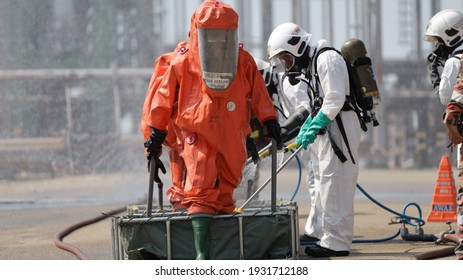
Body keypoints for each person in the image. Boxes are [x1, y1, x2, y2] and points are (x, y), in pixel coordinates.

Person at [143, 0, 281, 260]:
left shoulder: (243, 61)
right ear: (196, 32)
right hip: (197, 134)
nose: (217, 42)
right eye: (210, 34)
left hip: (232, 133)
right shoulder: (182, 62)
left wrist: (269, 119)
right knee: (200, 185)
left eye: (223, 35)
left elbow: (259, 93)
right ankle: (201, 255)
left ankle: (220, 248)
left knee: (227, 186)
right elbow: (163, 97)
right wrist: (156, 132)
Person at [267, 22, 362, 257]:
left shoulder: (327, 59)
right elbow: (317, 103)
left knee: (334, 183)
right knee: (322, 182)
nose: (287, 66)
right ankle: (325, 234)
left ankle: (337, 243)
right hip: (329, 126)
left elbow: (334, 99)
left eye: (286, 59)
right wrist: (308, 126)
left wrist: (315, 124)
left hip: (340, 126)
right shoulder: (313, 64)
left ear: (297, 47)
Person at [424, 9, 463, 260]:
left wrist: (437, 77)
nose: (436, 47)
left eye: (438, 40)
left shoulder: (454, 61)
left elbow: (448, 98)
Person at [141, 41, 189, 211]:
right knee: (185, 192)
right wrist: (152, 152)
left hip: (190, 138)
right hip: (178, 139)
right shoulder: (172, 70)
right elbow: (152, 114)